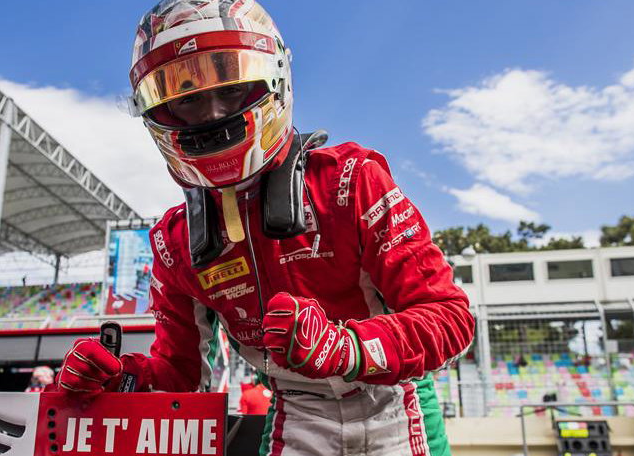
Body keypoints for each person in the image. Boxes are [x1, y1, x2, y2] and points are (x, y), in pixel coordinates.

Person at [54, 1, 475, 455]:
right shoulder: (174, 242)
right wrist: (121, 378)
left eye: (231, 87)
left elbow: (451, 318)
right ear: (157, 108)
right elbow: (181, 378)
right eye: (188, 97)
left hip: (396, 400)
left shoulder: (351, 181)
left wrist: (346, 347)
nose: (213, 114)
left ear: (274, 79)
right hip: (294, 414)